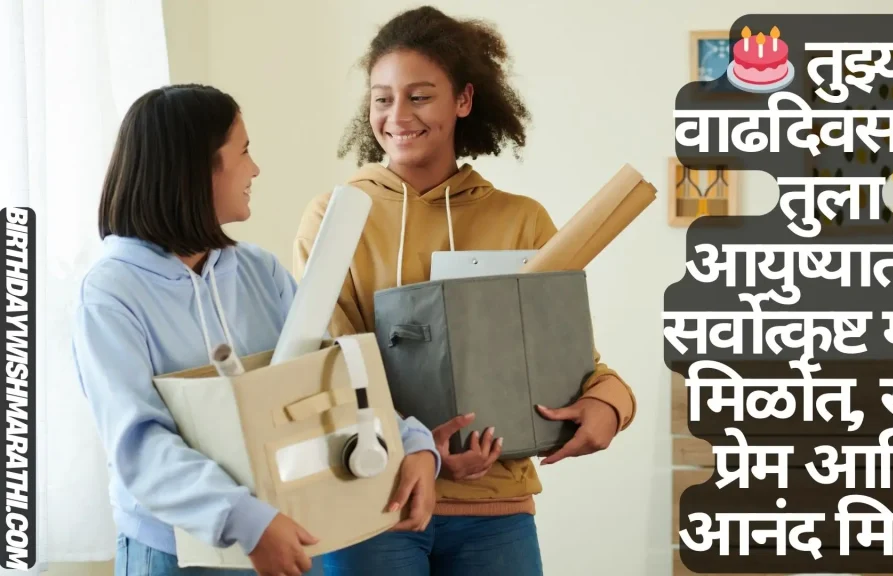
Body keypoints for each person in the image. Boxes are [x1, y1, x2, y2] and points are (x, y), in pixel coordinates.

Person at [293, 7, 637, 575]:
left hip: (495, 512)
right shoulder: (335, 216)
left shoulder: (523, 220)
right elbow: (329, 364)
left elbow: (567, 360)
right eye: (382, 99)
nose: (397, 116)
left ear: (463, 100)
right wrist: (421, 451)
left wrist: (611, 404)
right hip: (374, 505)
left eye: (419, 97)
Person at [72, 84, 441, 576]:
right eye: (243, 152)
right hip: (176, 554)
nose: (255, 169)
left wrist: (412, 442)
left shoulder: (258, 270)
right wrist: (246, 519)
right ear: (197, 168)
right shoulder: (110, 294)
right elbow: (139, 445)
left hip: (282, 536)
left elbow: (328, 378)